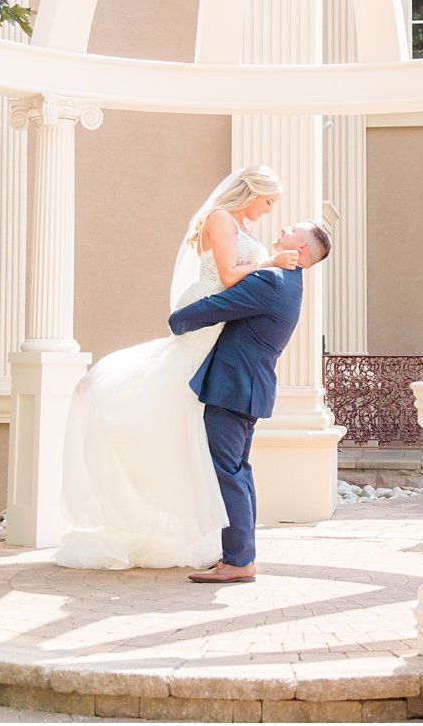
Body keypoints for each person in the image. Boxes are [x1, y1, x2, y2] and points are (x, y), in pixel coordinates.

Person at [54, 166, 299, 570]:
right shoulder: (221, 219)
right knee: (174, 396)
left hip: (223, 326)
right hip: (208, 315)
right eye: (268, 202)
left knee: (199, 427)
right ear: (252, 192)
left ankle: (225, 544)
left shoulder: (241, 225)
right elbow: (226, 276)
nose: (268, 212)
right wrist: (270, 262)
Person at [168, 220, 332, 584]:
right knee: (238, 470)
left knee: (228, 471)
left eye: (292, 229)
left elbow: (217, 306)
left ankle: (239, 561)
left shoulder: (271, 280)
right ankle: (241, 555)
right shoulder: (289, 283)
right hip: (247, 387)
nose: (284, 227)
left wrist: (177, 321)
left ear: (301, 248)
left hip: (234, 386)